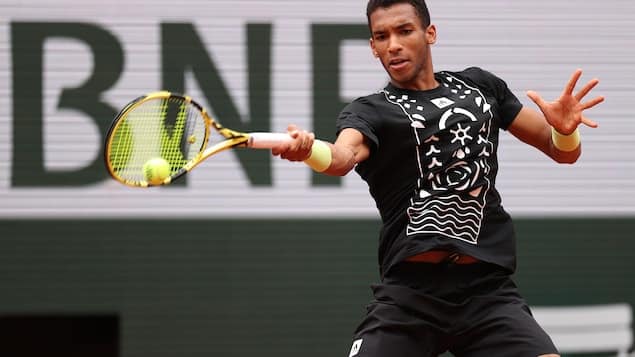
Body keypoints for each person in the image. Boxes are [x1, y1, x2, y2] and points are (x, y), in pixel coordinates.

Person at [273, 0, 604, 356]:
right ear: (373, 47)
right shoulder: (370, 111)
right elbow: (342, 157)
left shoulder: (481, 88)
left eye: (404, 31)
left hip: (487, 293)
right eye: (381, 36)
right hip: (410, 297)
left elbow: (562, 152)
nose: (393, 45)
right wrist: (309, 150)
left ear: (430, 33)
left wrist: (565, 131)